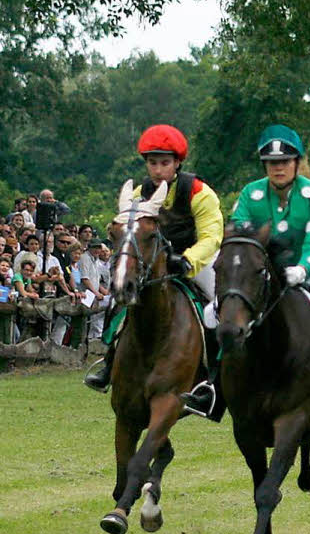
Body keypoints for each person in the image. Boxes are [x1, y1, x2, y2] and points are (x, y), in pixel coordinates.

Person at [181, 123, 310, 426]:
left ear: (296, 163)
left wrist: (303, 267)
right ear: (266, 165)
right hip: (265, 272)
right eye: (272, 163)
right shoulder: (251, 193)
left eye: (285, 162)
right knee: (213, 315)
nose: (279, 168)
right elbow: (238, 230)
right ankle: (213, 385)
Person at [84, 124, 224, 392]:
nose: (158, 170)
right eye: (152, 163)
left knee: (216, 309)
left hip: (198, 260)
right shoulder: (137, 196)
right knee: (120, 302)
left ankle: (216, 380)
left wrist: (188, 260)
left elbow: (211, 237)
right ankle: (109, 364)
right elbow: (128, 234)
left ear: (178, 163)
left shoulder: (199, 192)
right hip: (156, 263)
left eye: (165, 163)